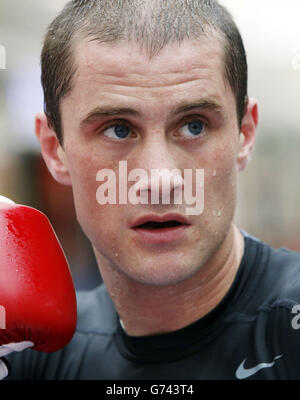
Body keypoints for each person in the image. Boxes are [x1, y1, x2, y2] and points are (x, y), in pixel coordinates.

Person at [4, 0, 300, 380]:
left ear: (245, 134)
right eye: (118, 129)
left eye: (194, 125)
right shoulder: (31, 357)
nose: (160, 180)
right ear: (54, 149)